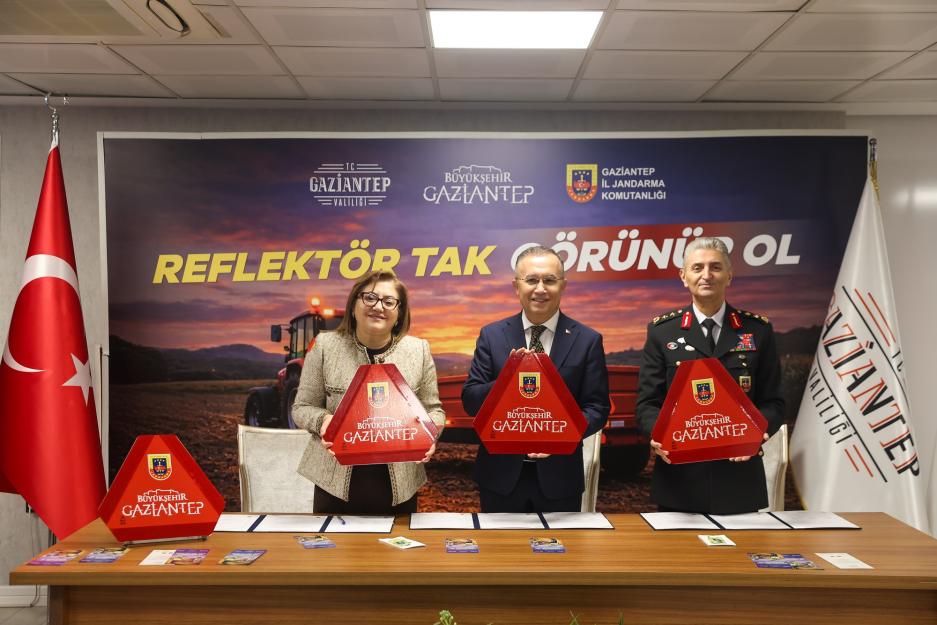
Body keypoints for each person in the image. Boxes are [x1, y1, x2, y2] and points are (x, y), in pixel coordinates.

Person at [636, 237, 784, 514]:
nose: (706, 275)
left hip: (739, 480)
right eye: (697, 268)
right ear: (684, 276)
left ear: (729, 275)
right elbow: (647, 403)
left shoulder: (757, 331)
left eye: (715, 267)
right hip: (679, 481)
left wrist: (753, 435)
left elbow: (774, 402)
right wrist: (659, 434)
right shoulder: (662, 332)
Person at [462, 246, 610, 513]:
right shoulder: (491, 336)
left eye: (549, 280)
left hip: (560, 480)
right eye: (531, 280)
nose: (540, 289)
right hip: (499, 479)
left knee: (560, 543)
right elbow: (471, 401)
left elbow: (597, 408)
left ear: (563, 285)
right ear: (516, 286)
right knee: (501, 542)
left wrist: (562, 437)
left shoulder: (587, 340)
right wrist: (507, 379)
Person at [292, 270, 445, 514]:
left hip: (400, 489)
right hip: (334, 486)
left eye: (389, 301)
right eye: (370, 298)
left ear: (399, 313)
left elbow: (434, 410)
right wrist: (323, 421)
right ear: (354, 306)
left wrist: (429, 433)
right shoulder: (324, 346)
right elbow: (302, 407)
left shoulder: (419, 350)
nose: (378, 307)